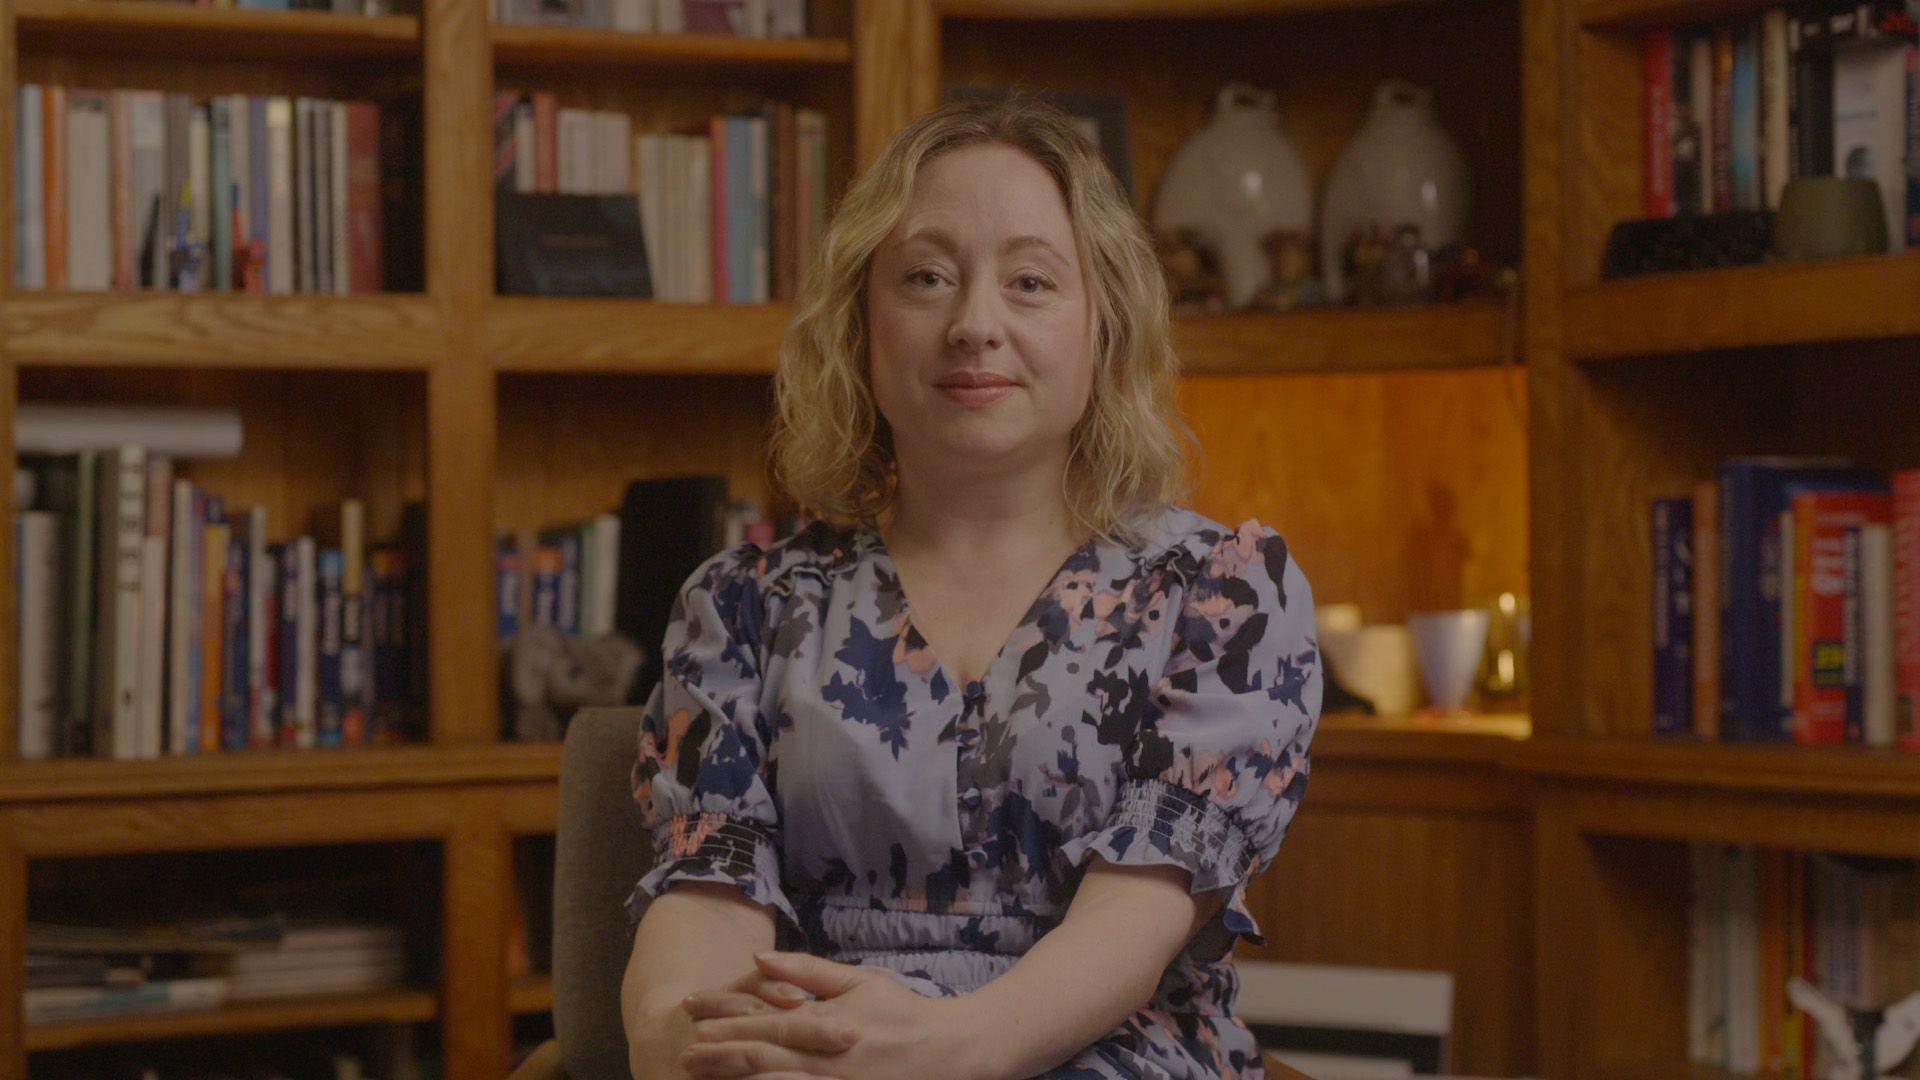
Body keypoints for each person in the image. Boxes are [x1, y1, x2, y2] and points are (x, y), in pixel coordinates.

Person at [620, 96, 1322, 1080]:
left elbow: (1138, 919)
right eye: (926, 278)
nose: (974, 325)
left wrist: (945, 1050)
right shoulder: (740, 606)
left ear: (1102, 328)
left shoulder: (1222, 596)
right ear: (861, 324)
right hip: (823, 1058)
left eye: (1030, 282)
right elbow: (705, 894)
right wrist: (675, 1044)